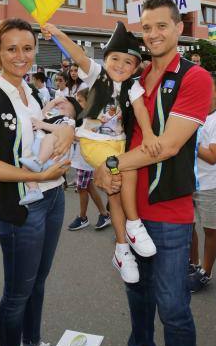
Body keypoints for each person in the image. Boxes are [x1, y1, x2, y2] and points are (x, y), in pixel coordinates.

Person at [92, 0, 211, 346]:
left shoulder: (195, 76)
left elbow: (169, 146)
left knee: (173, 307)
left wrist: (110, 164)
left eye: (162, 26)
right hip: (129, 206)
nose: (154, 34)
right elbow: (105, 121)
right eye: (147, 28)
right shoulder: (136, 74)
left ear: (179, 28)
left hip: (169, 210)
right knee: (137, 293)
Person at [0, 18, 74, 346]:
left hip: (54, 196)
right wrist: (39, 178)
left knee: (38, 282)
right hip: (22, 206)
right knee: (17, 294)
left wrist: (61, 136)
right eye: (11, 49)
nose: (21, 56)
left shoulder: (32, 93)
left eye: (27, 48)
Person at [42, 21, 161, 283]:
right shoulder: (98, 75)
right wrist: (60, 32)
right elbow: (78, 55)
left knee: (116, 193)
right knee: (123, 171)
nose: (120, 65)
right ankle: (133, 225)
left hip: (118, 143)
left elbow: (140, 110)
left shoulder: (133, 86)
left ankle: (121, 250)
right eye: (114, 58)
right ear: (106, 59)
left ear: (135, 67)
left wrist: (149, 134)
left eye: (128, 62)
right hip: (93, 144)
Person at [188, 73, 216, 293]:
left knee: (210, 228)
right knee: (189, 226)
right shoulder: (191, 114)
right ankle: (193, 264)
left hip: (209, 185)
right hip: (188, 182)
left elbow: (214, 156)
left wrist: (191, 138)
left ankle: (206, 271)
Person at [18, 95, 82, 205]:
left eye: (64, 105)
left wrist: (41, 124)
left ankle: (39, 162)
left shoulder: (68, 120)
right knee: (24, 168)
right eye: (58, 106)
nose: (60, 105)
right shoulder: (52, 117)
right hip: (40, 153)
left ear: (73, 113)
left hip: (50, 156)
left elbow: (62, 129)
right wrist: (52, 103)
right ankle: (34, 190)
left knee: (49, 137)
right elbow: (42, 114)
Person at [66, 88, 112, 232]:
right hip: (83, 158)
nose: (77, 102)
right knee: (88, 187)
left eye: (80, 100)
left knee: (81, 188)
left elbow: (84, 137)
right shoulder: (86, 115)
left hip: (86, 160)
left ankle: (83, 217)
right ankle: (104, 214)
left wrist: (68, 134)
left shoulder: (93, 116)